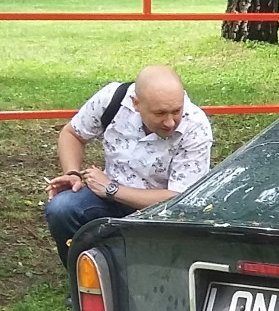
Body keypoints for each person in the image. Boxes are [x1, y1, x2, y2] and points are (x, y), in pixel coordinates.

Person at [44, 66, 213, 269]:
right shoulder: (112, 99)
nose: (170, 122)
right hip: (109, 200)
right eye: (160, 113)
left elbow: (180, 199)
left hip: (162, 215)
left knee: (147, 276)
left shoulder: (196, 126)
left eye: (176, 111)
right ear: (136, 103)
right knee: (62, 208)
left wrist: (111, 189)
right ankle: (85, 282)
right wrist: (72, 173)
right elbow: (72, 134)